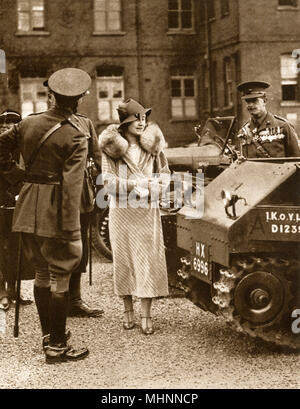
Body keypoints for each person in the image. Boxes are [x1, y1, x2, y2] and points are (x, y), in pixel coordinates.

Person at [0, 68, 92, 363]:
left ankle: (48, 336)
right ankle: (56, 346)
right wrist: (72, 234)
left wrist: (18, 176)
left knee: (41, 273)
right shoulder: (76, 136)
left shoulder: (28, 123)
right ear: (77, 101)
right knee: (61, 276)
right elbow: (72, 189)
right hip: (56, 212)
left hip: (28, 206)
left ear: (52, 96)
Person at [99, 98, 169, 335]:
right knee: (125, 260)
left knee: (146, 260)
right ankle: (127, 310)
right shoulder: (111, 149)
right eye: (136, 119)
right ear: (125, 123)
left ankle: (146, 313)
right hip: (122, 212)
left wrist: (154, 188)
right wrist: (132, 185)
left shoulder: (153, 146)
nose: (141, 123)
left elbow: (166, 175)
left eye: (144, 118)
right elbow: (107, 181)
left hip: (147, 211)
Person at [44, 79, 104, 318]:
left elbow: (98, 158)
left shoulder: (85, 124)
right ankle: (54, 298)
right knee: (52, 246)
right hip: (50, 195)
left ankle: (74, 300)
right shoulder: (40, 122)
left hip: (80, 195)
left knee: (79, 249)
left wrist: (103, 188)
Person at [0, 110, 33, 311]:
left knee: (16, 245)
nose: (7, 128)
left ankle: (13, 288)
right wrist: (23, 176)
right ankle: (1, 291)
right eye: (4, 124)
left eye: (13, 124)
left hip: (18, 200)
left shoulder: (23, 147)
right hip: (1, 199)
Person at [236, 81, 300, 158]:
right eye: (248, 101)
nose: (250, 105)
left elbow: (296, 158)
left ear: (264, 101)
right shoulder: (244, 131)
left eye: (254, 100)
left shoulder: (283, 126)